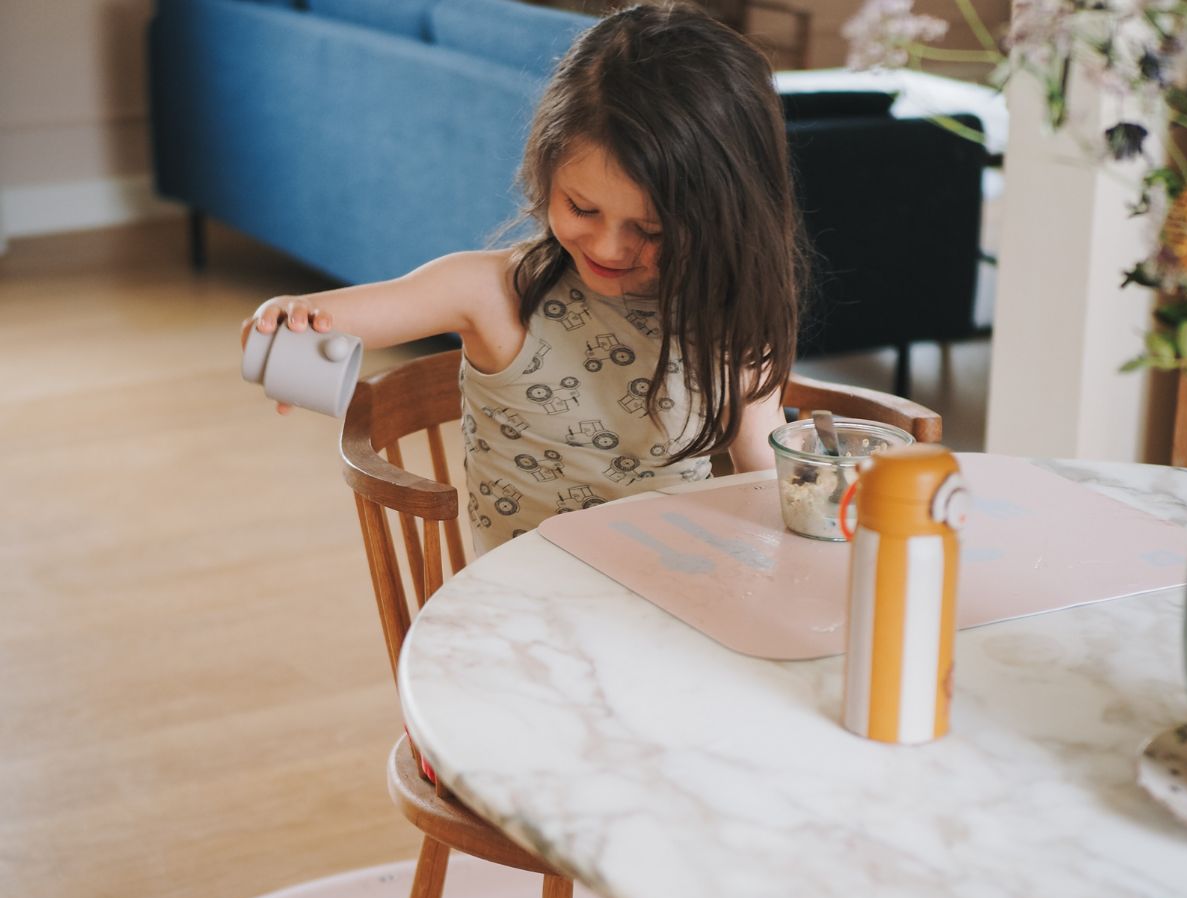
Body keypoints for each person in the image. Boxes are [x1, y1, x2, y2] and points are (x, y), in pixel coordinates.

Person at [244, 1, 807, 551]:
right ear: (546, 169)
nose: (610, 247)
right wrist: (286, 331)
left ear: (725, 217)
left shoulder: (725, 315)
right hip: (523, 615)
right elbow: (317, 324)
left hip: (673, 600)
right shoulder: (492, 293)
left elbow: (765, 480)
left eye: (652, 230)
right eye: (582, 209)